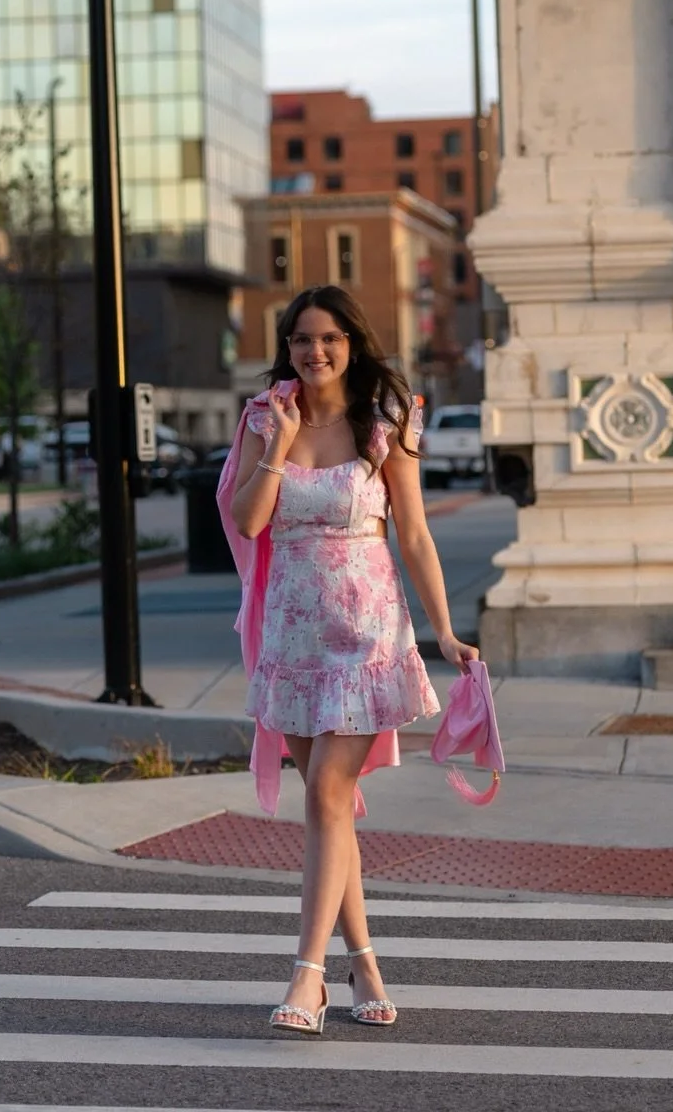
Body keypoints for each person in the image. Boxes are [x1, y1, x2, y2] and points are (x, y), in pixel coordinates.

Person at [224, 284, 480, 1036]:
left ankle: (307, 979)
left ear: (352, 342)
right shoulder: (265, 415)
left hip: (369, 634)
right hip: (293, 638)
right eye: (302, 340)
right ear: (288, 347)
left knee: (329, 795)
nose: (316, 352)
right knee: (328, 807)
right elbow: (246, 520)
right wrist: (276, 445)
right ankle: (364, 964)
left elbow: (417, 537)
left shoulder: (385, 420)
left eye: (330, 338)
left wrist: (442, 630)